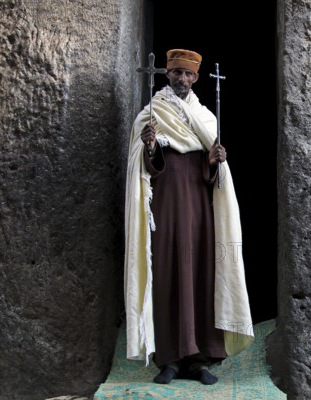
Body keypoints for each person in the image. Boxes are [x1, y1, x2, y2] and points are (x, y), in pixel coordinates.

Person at [124, 49, 253, 385]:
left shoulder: (206, 116)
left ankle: (198, 359)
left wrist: (215, 160)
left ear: (196, 78)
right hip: (165, 203)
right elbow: (145, 165)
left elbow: (212, 169)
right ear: (167, 74)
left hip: (198, 206)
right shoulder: (151, 113)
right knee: (167, 272)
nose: (182, 79)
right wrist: (150, 146)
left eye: (188, 74)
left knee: (200, 272)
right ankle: (168, 358)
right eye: (176, 73)